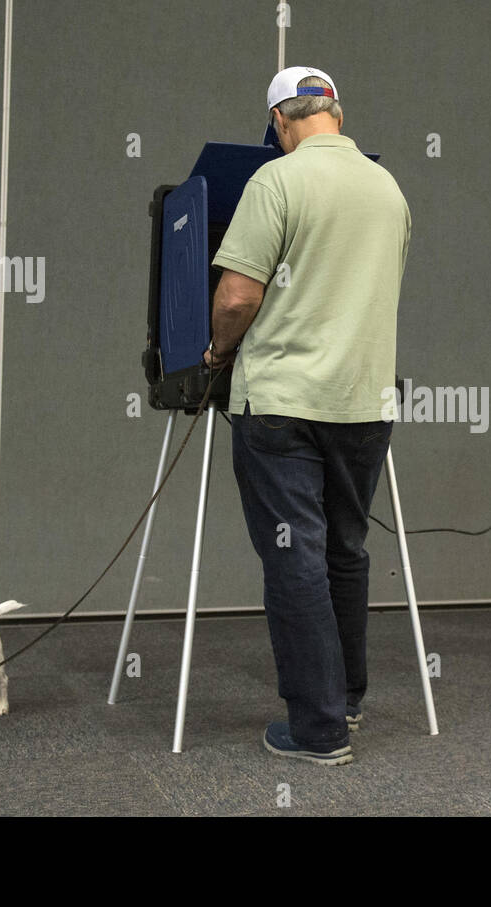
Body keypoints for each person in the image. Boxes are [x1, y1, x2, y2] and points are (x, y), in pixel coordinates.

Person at [203, 66, 411, 765]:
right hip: (364, 402)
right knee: (345, 551)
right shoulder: (389, 190)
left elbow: (236, 296)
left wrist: (214, 353)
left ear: (278, 123)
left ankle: (318, 728)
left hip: (283, 405)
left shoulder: (277, 181)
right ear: (339, 116)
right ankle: (346, 701)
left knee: (294, 558)